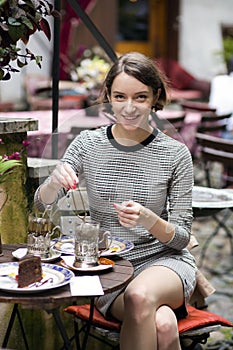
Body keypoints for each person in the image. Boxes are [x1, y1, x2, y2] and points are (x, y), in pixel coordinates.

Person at [34, 52, 197, 350]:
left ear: (155, 97)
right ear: (108, 95)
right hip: (110, 271)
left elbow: (182, 238)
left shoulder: (175, 154)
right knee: (162, 323)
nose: (129, 107)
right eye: (120, 96)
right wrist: (55, 180)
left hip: (165, 264)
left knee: (139, 296)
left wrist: (149, 219)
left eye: (140, 97)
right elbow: (41, 204)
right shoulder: (88, 143)